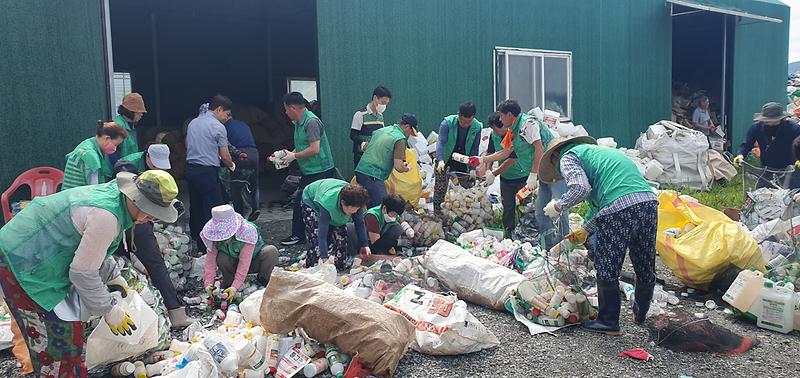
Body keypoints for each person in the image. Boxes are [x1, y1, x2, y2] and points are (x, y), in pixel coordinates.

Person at [0, 170, 181, 376]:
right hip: (21, 260)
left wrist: (112, 275)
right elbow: (82, 273)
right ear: (135, 199)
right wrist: (109, 310)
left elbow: (91, 246)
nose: (151, 218)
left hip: (43, 254)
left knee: (70, 336)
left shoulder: (115, 197)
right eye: (151, 212)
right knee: (56, 344)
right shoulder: (106, 216)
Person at [539, 136, 658, 335]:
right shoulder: (598, 154)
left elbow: (580, 188)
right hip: (648, 202)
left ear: (555, 156)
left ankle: (608, 321)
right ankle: (640, 313)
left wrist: (558, 206)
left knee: (607, 265)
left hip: (620, 210)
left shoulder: (567, 157)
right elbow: (608, 203)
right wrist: (586, 229)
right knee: (644, 262)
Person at [112, 159, 197, 328]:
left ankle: (135, 315)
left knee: (119, 267)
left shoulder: (117, 193)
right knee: (154, 266)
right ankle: (174, 313)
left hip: (122, 229)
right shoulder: (142, 198)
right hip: (132, 228)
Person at [481, 101, 569, 245]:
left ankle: (564, 245)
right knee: (542, 212)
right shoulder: (512, 130)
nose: (501, 120)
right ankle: (547, 246)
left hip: (554, 169)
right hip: (543, 174)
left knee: (559, 207)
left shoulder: (528, 124)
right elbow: (506, 152)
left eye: (502, 116)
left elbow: (539, 149)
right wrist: (482, 159)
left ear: (510, 115)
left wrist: (533, 175)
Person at [277, 92, 337, 246]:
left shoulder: (311, 122)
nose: (285, 112)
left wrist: (294, 156)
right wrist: (288, 154)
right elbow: (303, 144)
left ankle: (328, 238)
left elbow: (315, 148)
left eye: (286, 109)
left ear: (292, 108)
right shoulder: (298, 122)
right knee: (301, 201)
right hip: (309, 170)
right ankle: (299, 235)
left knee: (319, 203)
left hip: (320, 170)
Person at [186, 95, 235, 251]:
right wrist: (232, 165)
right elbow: (225, 155)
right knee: (215, 208)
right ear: (219, 109)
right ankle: (215, 244)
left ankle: (198, 242)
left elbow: (187, 144)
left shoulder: (192, 123)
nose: (227, 118)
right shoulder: (218, 127)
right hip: (207, 171)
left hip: (191, 169)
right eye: (226, 114)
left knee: (196, 206)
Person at [201, 205, 279, 299]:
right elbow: (210, 261)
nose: (224, 238)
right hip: (233, 264)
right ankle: (229, 282)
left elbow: (244, 262)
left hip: (253, 261)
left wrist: (236, 286)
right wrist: (208, 284)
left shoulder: (247, 232)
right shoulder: (213, 236)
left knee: (271, 252)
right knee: (222, 258)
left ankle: (263, 279)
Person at [301, 179, 370, 270]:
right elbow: (321, 235)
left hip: (332, 194)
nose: (355, 212)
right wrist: (325, 258)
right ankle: (312, 267)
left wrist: (365, 244)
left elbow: (360, 223)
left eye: (357, 209)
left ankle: (340, 266)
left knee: (342, 236)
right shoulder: (328, 203)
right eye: (353, 209)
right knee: (315, 237)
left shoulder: (356, 202)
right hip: (311, 199)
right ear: (343, 203)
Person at [355, 114, 417, 207]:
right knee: (381, 208)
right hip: (374, 176)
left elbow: (365, 147)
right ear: (407, 127)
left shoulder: (380, 131)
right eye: (410, 132)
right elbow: (399, 167)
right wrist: (407, 168)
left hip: (360, 171)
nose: (409, 136)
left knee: (363, 206)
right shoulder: (400, 139)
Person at [733, 102, 800, 189]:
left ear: (782, 118)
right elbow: (746, 144)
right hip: (766, 168)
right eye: (767, 121)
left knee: (790, 196)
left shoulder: (794, 128)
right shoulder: (756, 128)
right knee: (762, 193)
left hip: (790, 169)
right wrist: (740, 154)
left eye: (774, 121)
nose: (770, 124)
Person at [62, 121, 128, 190]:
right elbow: (94, 189)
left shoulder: (89, 143)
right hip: (76, 197)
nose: (115, 148)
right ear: (107, 138)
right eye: (115, 145)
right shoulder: (90, 155)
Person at [348, 194, 415, 255]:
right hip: (365, 241)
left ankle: (384, 249)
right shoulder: (372, 216)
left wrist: (408, 229)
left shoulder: (391, 213)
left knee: (397, 228)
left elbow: (400, 219)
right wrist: (398, 243)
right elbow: (376, 243)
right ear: (384, 208)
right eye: (393, 214)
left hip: (379, 236)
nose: (394, 217)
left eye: (396, 215)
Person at [225, 117, 261, 220]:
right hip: (254, 152)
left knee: (236, 185)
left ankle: (239, 213)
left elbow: (225, 145)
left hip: (240, 153)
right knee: (254, 184)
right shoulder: (243, 123)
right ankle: (256, 207)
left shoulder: (224, 127)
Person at [350, 86, 392, 168]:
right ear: (375, 98)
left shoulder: (380, 116)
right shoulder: (360, 114)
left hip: (376, 156)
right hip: (361, 156)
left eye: (386, 104)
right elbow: (353, 135)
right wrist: (363, 143)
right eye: (383, 102)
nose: (384, 106)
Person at [435, 101, 482, 174]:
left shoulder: (477, 127)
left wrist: (472, 168)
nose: (466, 124)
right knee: (442, 182)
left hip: (463, 160)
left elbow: (474, 148)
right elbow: (441, 142)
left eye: (469, 122)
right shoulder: (447, 123)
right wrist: (440, 160)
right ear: (458, 115)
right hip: (446, 159)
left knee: (463, 183)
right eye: (463, 121)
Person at [110, 92, 148, 166]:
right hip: (119, 170)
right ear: (130, 112)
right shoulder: (117, 127)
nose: (141, 114)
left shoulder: (131, 126)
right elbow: (111, 153)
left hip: (128, 167)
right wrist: (118, 169)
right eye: (139, 112)